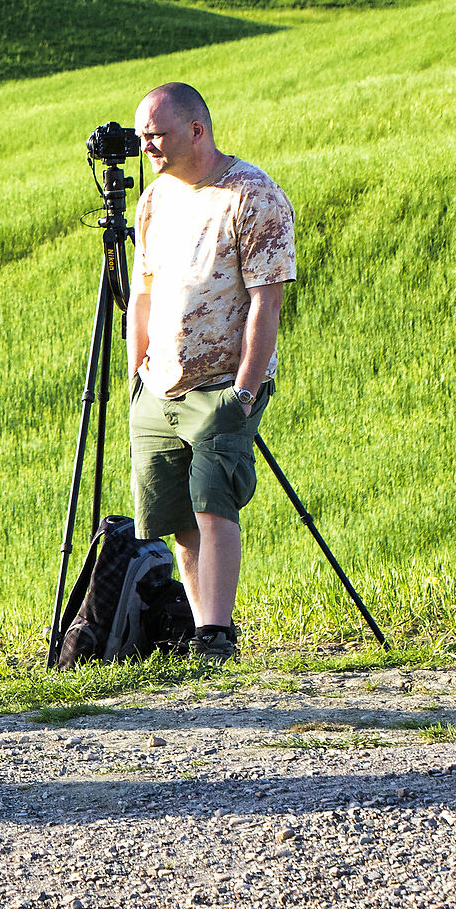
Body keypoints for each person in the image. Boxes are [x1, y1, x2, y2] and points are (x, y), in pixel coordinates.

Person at [127, 82, 297, 663]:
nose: (147, 146)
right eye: (143, 136)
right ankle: (202, 632)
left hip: (223, 383)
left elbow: (265, 302)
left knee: (212, 500)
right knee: (177, 517)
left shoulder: (251, 196)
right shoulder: (154, 200)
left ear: (195, 131)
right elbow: (142, 294)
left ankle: (217, 636)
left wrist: (244, 393)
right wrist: (135, 374)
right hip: (158, 385)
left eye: (157, 135)